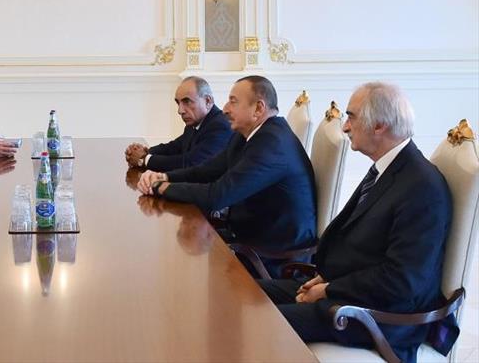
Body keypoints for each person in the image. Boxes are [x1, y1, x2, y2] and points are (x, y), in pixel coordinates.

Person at [257, 82, 453, 363]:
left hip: (379, 316)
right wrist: (325, 278)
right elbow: (362, 245)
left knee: (257, 320)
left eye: (352, 117)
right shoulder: (389, 168)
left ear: (379, 126)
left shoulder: (422, 187)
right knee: (246, 294)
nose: (346, 126)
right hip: (348, 290)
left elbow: (402, 282)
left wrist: (328, 290)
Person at [138, 75, 316, 273]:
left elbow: (217, 196)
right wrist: (165, 177)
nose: (224, 109)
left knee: (180, 266)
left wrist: (162, 188)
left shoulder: (272, 144)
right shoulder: (248, 134)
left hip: (273, 258)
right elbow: (207, 170)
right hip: (247, 236)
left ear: (258, 108)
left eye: (233, 101)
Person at [125, 76, 232, 171]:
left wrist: (144, 159)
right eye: (178, 103)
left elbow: (191, 163)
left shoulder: (221, 126)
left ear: (207, 101)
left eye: (187, 101)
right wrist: (145, 152)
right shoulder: (194, 124)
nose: (180, 111)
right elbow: (173, 147)